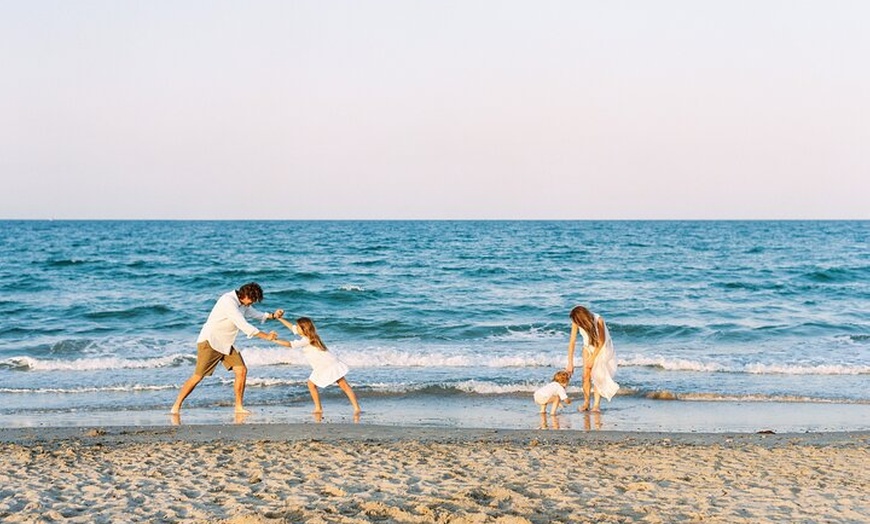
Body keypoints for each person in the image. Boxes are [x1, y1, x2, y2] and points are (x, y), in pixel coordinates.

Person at [170, 282, 283, 415]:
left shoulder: (243, 303)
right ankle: (176, 406)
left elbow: (254, 313)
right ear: (245, 295)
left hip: (227, 343)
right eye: (252, 300)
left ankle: (238, 407)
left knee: (241, 371)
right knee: (198, 376)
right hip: (211, 342)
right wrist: (266, 336)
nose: (251, 303)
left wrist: (272, 316)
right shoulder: (228, 301)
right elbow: (241, 323)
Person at [273, 316, 361, 416]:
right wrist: (280, 318)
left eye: (298, 327)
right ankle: (356, 407)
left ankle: (319, 408)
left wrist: (274, 340)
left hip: (325, 365)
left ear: (304, 329)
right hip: (329, 362)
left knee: (312, 384)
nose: (296, 328)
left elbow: (290, 344)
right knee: (343, 385)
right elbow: (292, 328)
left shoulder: (307, 340)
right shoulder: (311, 336)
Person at [566, 305, 619, 412]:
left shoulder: (598, 320)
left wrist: (592, 359)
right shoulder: (576, 321)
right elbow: (572, 342)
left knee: (597, 376)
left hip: (602, 348)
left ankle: (596, 405)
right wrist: (570, 362)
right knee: (585, 376)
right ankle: (586, 403)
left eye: (578, 321)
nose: (576, 323)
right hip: (587, 347)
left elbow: (601, 342)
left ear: (583, 318)